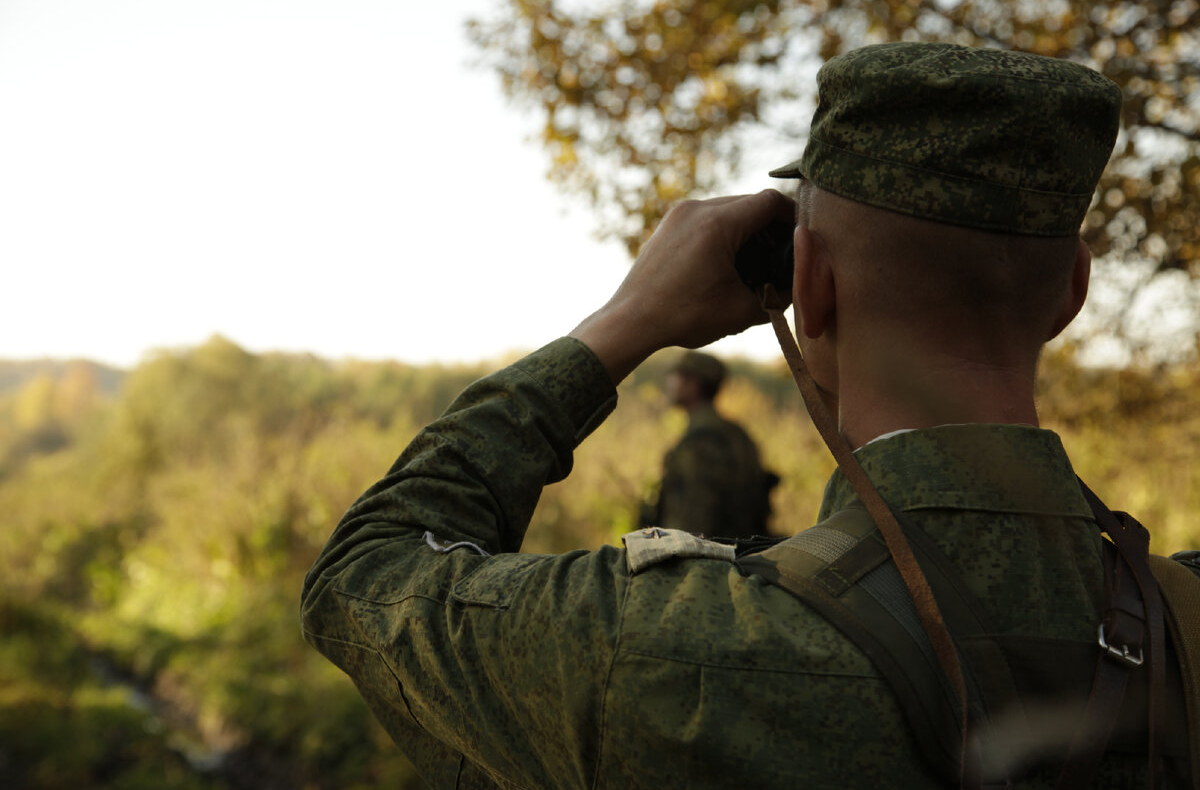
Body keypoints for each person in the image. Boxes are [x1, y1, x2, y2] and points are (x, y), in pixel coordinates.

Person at [301, 42, 1190, 788]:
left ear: (809, 284)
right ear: (1073, 291)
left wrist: (622, 326)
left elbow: (360, 576)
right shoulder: (1184, 616)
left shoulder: (665, 650)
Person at [640, 350, 777, 539]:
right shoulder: (736, 434)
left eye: (677, 376)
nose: (670, 383)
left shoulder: (700, 442)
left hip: (708, 558)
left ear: (693, 384)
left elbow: (692, 522)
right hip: (743, 552)